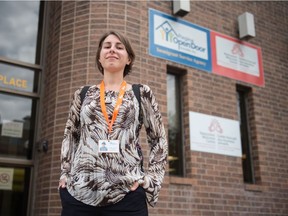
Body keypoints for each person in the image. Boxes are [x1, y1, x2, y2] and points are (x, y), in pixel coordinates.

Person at [58, 30, 168, 216]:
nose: (112, 50)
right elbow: (71, 135)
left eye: (119, 47)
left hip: (127, 195)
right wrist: (65, 174)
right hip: (78, 195)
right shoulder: (82, 94)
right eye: (107, 46)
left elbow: (158, 139)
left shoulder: (141, 93)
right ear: (99, 58)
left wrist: (151, 179)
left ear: (129, 59)